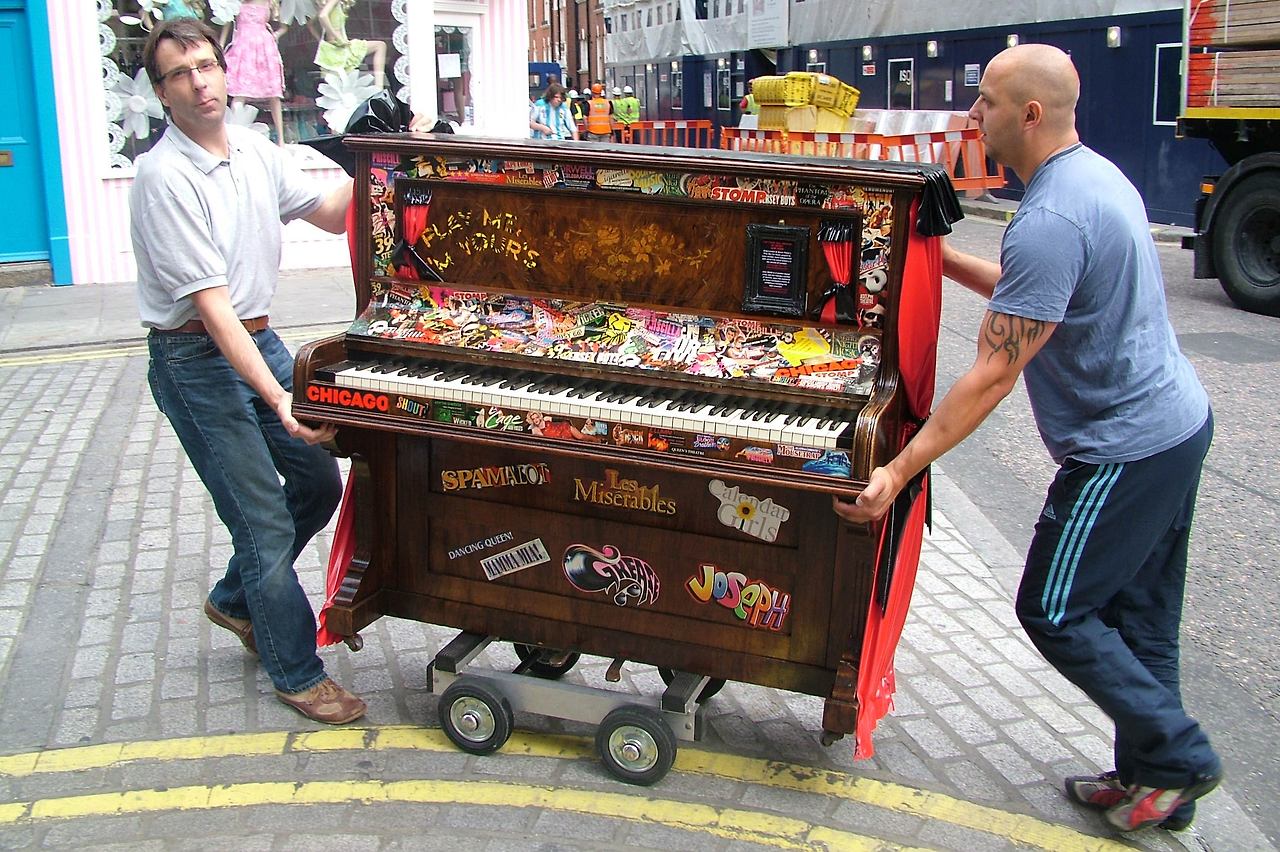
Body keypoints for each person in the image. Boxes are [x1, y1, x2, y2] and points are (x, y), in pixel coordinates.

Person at [832, 43, 1221, 834]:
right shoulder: (1088, 175)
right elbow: (1032, 294)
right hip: (1176, 426)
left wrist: (900, 471)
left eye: (986, 103)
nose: (973, 116)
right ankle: (1154, 778)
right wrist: (932, 260)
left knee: (1055, 608)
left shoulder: (1052, 215)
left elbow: (991, 375)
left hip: (1128, 446)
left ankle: (1181, 755)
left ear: (1029, 115)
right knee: (1138, 615)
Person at [130, 19, 365, 725]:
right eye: (180, 74)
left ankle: (234, 600)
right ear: (162, 94)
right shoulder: (161, 175)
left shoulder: (255, 152)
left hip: (255, 337)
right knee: (261, 518)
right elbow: (212, 310)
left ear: (226, 73)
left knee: (317, 480)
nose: (199, 82)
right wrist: (280, 398)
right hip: (195, 357)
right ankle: (296, 670)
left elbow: (328, 214)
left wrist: (380, 157)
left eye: (206, 65)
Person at [221, 0, 287, 145]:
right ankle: (232, 137)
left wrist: (274, 36)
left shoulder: (269, 2)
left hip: (264, 47)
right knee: (240, 91)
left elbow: (284, 26)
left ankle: (281, 140)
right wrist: (220, 46)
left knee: (273, 93)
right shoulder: (236, 3)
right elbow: (227, 21)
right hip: (243, 47)